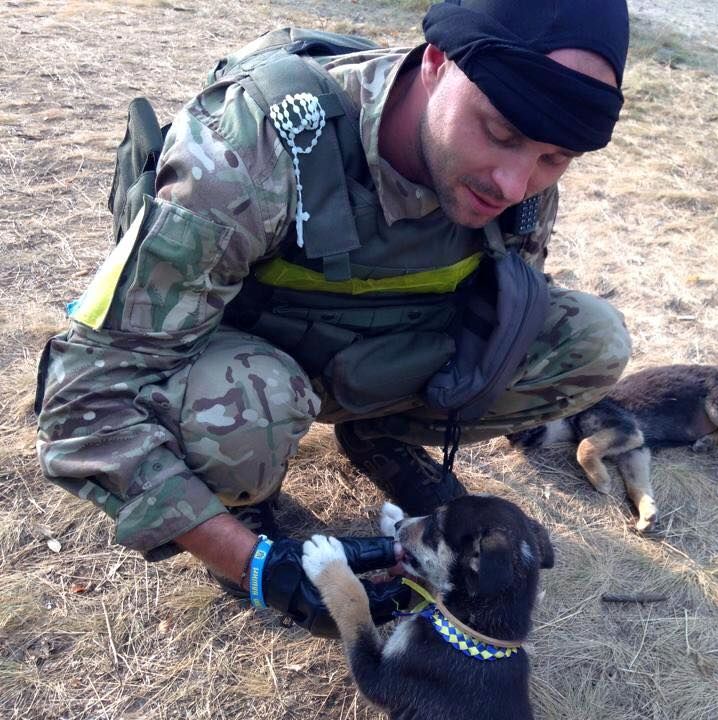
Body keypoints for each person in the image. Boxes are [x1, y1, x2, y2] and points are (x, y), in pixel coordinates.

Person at [34, 0, 632, 636]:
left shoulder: (519, 184)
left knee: (590, 339)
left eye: (554, 158)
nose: (515, 184)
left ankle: (378, 435)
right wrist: (257, 565)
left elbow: (503, 301)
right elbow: (85, 399)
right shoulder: (250, 150)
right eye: (501, 133)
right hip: (252, 373)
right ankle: (246, 499)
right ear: (435, 64)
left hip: (371, 361)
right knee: (247, 407)